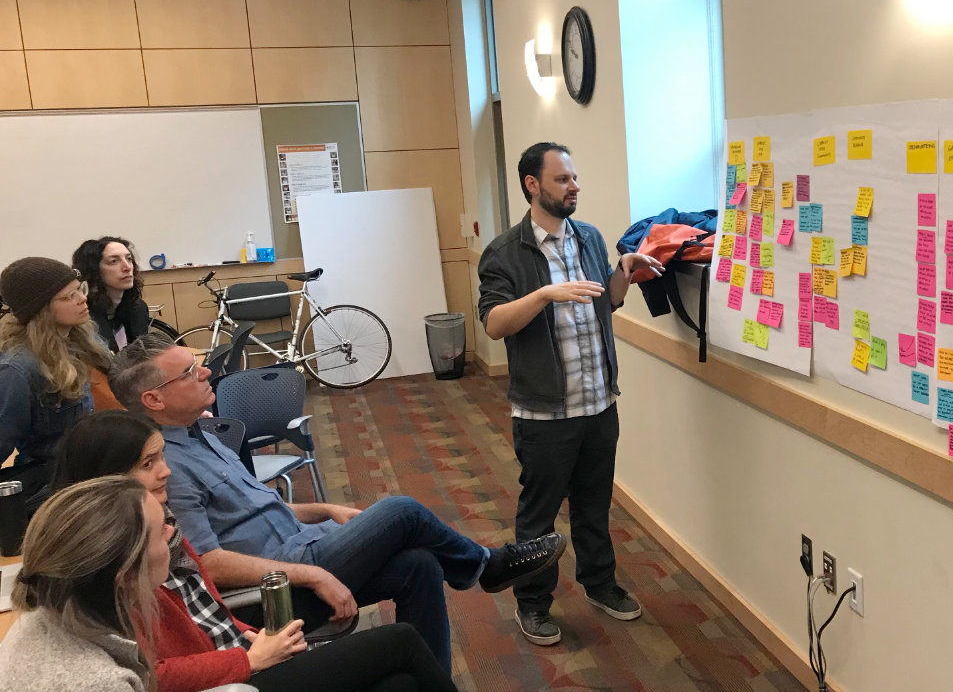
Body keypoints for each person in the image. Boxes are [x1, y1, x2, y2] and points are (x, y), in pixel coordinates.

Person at [107, 333, 567, 674]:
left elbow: (255, 511)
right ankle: (488, 566)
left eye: (197, 363)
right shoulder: (167, 468)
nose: (206, 371)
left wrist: (325, 510)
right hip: (277, 589)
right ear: (154, 398)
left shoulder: (200, 434)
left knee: (421, 565)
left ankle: (431, 683)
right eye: (189, 372)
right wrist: (315, 574)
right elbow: (209, 562)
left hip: (306, 547)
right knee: (402, 510)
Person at [49, 412, 462, 692]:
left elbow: (206, 610)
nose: (165, 470)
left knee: (409, 648)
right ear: (106, 476)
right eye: (148, 463)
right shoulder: (116, 555)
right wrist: (250, 658)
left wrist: (249, 638)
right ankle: (482, 565)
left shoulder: (162, 513)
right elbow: (151, 672)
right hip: (237, 668)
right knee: (401, 621)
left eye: (161, 457)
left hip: (243, 641)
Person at [477, 142, 665, 645]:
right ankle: (534, 604)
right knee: (538, 519)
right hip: (544, 414)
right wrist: (542, 295)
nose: (574, 187)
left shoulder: (589, 238)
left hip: (599, 403)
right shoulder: (503, 252)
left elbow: (607, 304)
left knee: (593, 505)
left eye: (575, 178)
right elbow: (494, 325)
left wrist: (624, 272)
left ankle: (600, 584)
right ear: (532, 186)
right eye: (563, 179)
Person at [0, 477, 160, 691]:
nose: (172, 532)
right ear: (126, 575)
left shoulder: (41, 615)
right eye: (162, 531)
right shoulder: (102, 683)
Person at [0, 257, 110, 498]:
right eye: (67, 297)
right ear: (41, 310)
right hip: (56, 486)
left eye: (79, 290)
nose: (82, 299)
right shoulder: (18, 368)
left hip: (96, 469)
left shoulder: (85, 340)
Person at [72, 236, 149, 353]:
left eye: (129, 259)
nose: (127, 267)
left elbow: (143, 355)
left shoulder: (137, 307)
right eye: (114, 261)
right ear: (94, 270)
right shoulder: (84, 314)